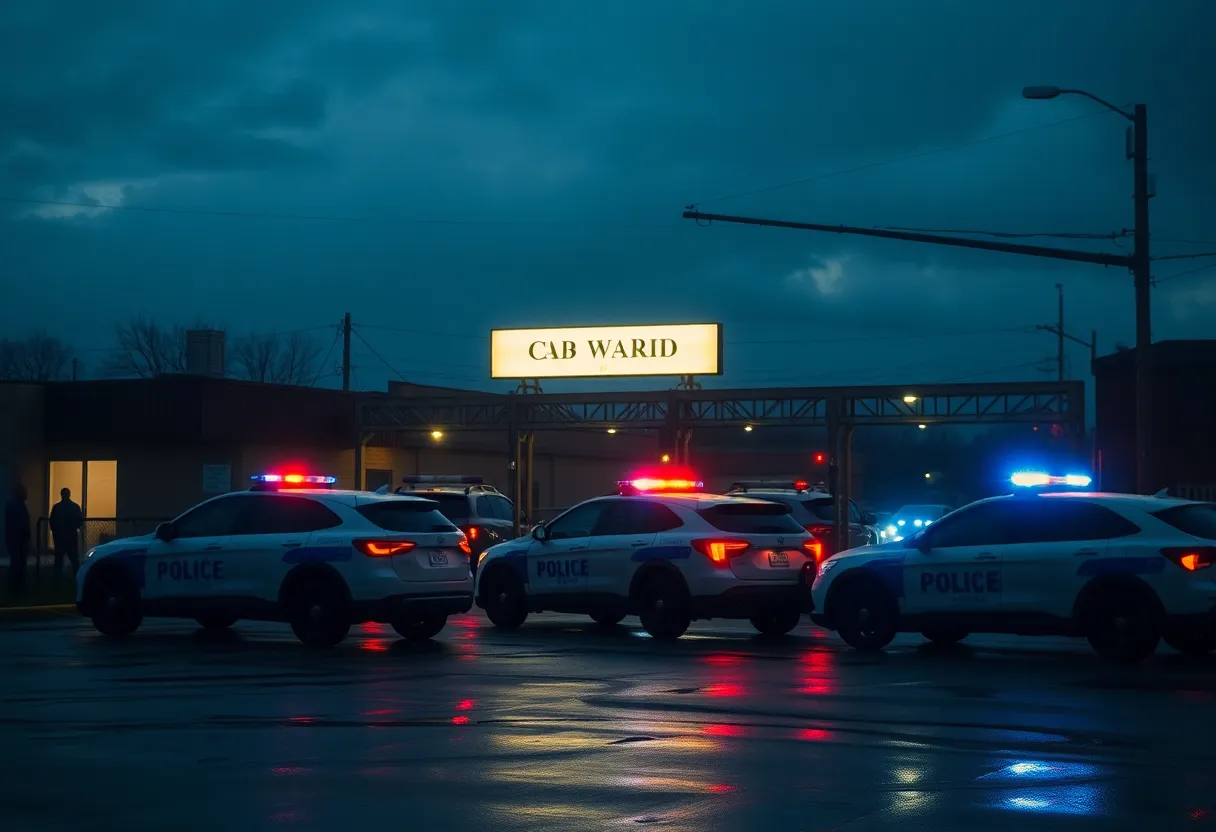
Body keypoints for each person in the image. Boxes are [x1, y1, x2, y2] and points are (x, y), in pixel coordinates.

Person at [50, 487, 84, 578]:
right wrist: (74, 528)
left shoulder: (57, 507)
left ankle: (57, 579)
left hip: (60, 537)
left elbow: (52, 522)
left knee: (59, 559)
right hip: (71, 536)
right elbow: (80, 520)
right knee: (74, 559)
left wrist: (56, 533)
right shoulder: (75, 507)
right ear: (69, 494)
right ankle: (76, 577)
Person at [4, 484, 31, 596]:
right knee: (18, 564)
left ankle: (15, 587)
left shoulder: (12, 505)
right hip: (18, 540)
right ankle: (17, 587)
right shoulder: (18, 506)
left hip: (14, 539)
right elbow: (22, 524)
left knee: (16, 563)